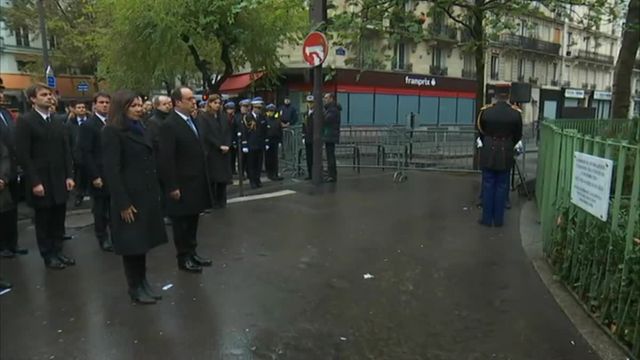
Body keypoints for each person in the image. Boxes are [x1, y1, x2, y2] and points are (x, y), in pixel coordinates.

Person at [102, 90, 168, 304]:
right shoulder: (112, 131)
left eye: (140, 105)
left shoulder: (143, 128)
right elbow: (112, 170)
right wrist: (123, 203)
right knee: (132, 245)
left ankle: (143, 282)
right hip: (129, 198)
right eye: (134, 106)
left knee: (143, 243)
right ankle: (135, 287)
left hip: (146, 194)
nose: (140, 109)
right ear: (123, 108)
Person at [16, 84, 76, 270]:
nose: (49, 97)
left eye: (50, 94)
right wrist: (34, 182)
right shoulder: (26, 121)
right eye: (44, 95)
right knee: (44, 221)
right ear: (33, 99)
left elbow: (66, 150)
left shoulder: (57, 120)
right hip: (41, 180)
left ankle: (58, 251)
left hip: (59, 178)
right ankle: (48, 255)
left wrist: (69, 175)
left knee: (59, 218)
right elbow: (23, 154)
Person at [159, 86, 212, 273]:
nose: (193, 102)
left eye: (193, 99)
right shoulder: (169, 125)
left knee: (193, 220)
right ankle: (183, 258)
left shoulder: (193, 121)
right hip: (181, 184)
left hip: (196, 182)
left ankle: (193, 252)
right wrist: (172, 186)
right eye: (189, 99)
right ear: (178, 102)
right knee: (181, 224)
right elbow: (166, 158)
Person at [476, 83, 523, 227]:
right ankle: (498, 220)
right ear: (508, 95)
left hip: (489, 148)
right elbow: (518, 135)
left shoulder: (485, 111)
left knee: (488, 185)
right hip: (506, 150)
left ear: (495, 95)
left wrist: (489, 140)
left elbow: (480, 131)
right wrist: (508, 142)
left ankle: (486, 219)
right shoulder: (516, 113)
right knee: (502, 186)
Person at [79, 93, 113, 252]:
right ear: (94, 105)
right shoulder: (89, 125)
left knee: (114, 207)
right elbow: (86, 152)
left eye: (107, 102)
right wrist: (94, 176)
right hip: (98, 174)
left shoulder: (113, 122)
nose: (105, 105)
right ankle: (102, 237)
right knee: (100, 209)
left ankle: (115, 235)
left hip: (113, 172)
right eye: (101, 102)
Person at [0, 80, 27, 258]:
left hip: (11, 169)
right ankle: (3, 247)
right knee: (2, 210)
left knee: (12, 209)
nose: (1, 95)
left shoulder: (6, 113)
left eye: (1, 91)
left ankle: (12, 243)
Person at [198, 94, 232, 209]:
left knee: (223, 178)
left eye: (219, 103)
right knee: (213, 178)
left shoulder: (223, 116)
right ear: (210, 103)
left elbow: (228, 131)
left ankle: (222, 200)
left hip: (224, 151)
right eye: (215, 103)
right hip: (212, 151)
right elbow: (206, 134)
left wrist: (227, 144)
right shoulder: (204, 117)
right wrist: (219, 146)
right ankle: (212, 201)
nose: (217, 105)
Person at [239, 98, 266, 189]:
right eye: (257, 108)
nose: (258, 110)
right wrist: (245, 144)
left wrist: (266, 142)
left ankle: (257, 179)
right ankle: (252, 181)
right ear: (253, 108)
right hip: (251, 144)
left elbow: (264, 131)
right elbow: (244, 132)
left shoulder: (262, 117)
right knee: (251, 164)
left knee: (259, 164)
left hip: (260, 144)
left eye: (259, 108)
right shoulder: (247, 117)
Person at [67, 101, 89, 207]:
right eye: (79, 107)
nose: (81, 109)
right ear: (75, 110)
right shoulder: (70, 124)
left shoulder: (91, 121)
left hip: (90, 154)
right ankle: (79, 196)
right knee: (79, 179)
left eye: (83, 107)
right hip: (77, 157)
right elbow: (69, 141)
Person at [322, 93, 341, 183]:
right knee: (329, 155)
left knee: (330, 156)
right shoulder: (329, 109)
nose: (324, 99)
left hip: (331, 135)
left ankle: (332, 175)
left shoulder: (332, 110)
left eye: (326, 98)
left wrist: (322, 116)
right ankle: (331, 173)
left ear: (331, 99)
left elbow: (327, 120)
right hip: (329, 134)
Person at [264, 103, 284, 181]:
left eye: (272, 111)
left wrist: (280, 141)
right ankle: (270, 173)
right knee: (268, 158)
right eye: (269, 111)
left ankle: (275, 173)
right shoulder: (265, 119)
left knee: (275, 158)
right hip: (267, 141)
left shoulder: (277, 120)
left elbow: (280, 130)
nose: (271, 112)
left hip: (275, 141)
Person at [302, 95, 315, 180]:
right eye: (308, 102)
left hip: (315, 139)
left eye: (311, 102)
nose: (310, 104)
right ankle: (310, 174)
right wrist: (303, 136)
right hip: (307, 138)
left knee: (315, 158)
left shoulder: (317, 113)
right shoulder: (305, 114)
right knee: (309, 157)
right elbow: (304, 125)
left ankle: (315, 174)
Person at [224, 101, 238, 176]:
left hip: (233, 139)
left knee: (233, 156)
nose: (231, 110)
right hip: (227, 140)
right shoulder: (224, 117)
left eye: (232, 109)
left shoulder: (235, 117)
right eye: (229, 109)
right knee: (227, 158)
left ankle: (233, 170)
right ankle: (228, 172)